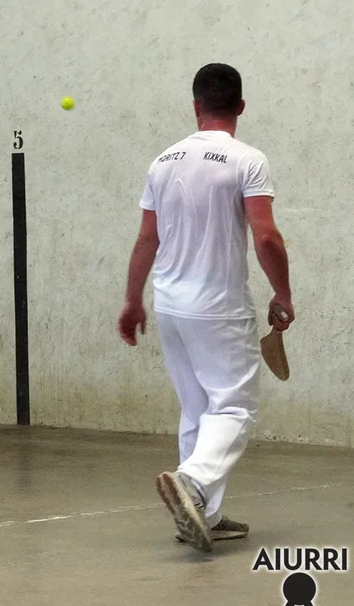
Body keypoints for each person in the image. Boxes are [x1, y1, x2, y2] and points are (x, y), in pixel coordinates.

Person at [118, 63, 293, 552]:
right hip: (219, 307)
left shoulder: (163, 160)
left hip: (170, 306)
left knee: (197, 409)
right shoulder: (247, 159)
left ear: (196, 105)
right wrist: (283, 293)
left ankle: (203, 517)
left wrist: (132, 300)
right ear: (241, 106)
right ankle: (192, 483)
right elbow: (266, 236)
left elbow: (147, 238)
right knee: (235, 406)